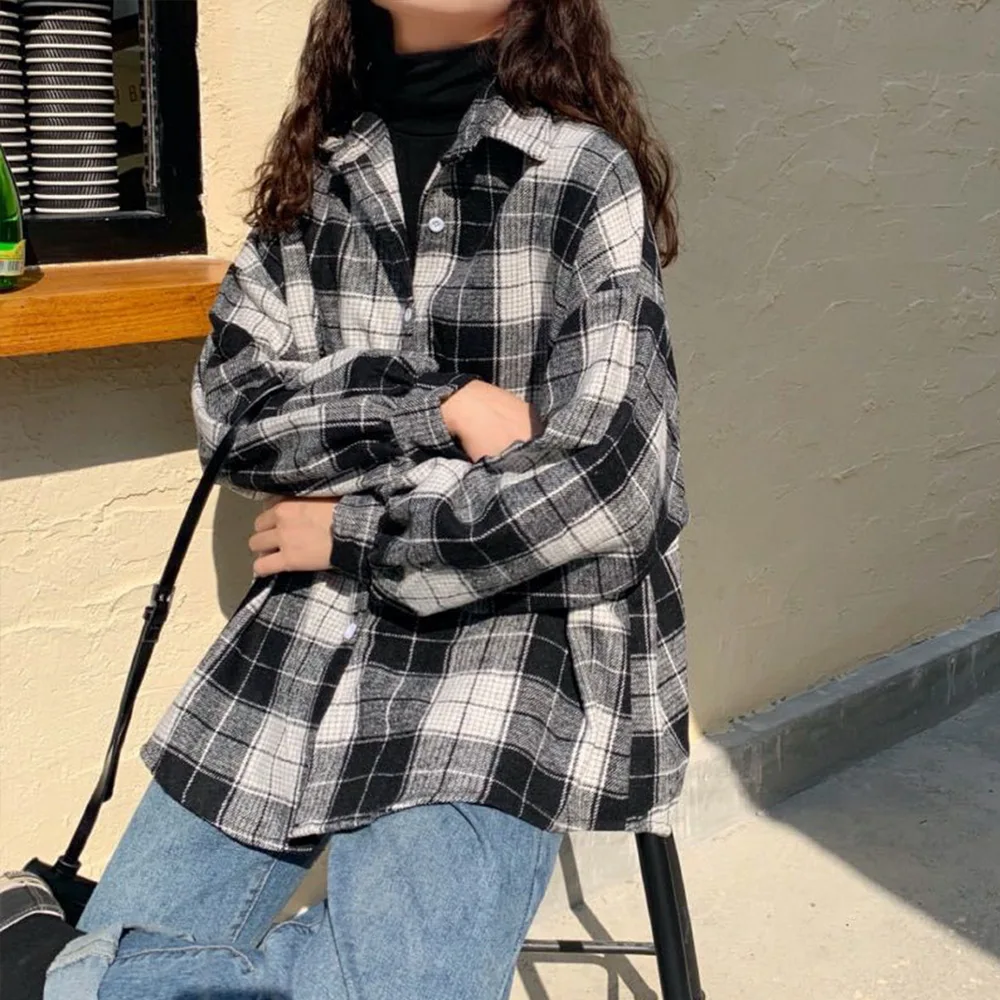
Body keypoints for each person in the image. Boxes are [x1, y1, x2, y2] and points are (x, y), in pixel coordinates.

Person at [0, 0, 689, 996]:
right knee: (136, 939)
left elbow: (605, 486)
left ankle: (50, 973)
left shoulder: (579, 173)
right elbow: (232, 415)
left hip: (511, 632)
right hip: (309, 633)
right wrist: (435, 406)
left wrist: (351, 526)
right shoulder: (318, 179)